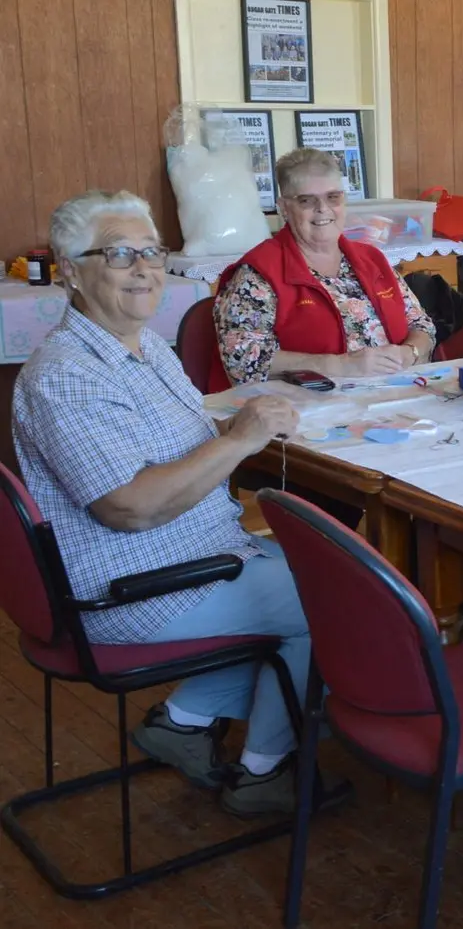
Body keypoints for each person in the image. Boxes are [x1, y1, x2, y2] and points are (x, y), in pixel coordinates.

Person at [12, 190, 349, 816]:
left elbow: (184, 449)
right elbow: (128, 507)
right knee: (335, 596)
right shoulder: (67, 373)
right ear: (72, 273)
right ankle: (264, 770)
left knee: (326, 565)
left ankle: (186, 720)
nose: (143, 268)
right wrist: (241, 439)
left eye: (151, 252)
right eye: (118, 254)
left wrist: (238, 435)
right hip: (131, 586)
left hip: (197, 553)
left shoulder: (144, 348)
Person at [210, 147, 436, 392]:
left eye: (333, 197)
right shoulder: (257, 274)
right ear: (284, 208)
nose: (323, 208)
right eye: (306, 200)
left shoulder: (372, 259)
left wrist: (410, 352)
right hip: (304, 409)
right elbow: (242, 360)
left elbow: (422, 325)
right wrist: (342, 365)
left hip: (390, 396)